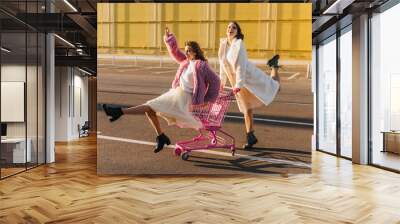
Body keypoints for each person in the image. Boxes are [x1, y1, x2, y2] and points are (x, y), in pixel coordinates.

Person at [103, 27, 220, 153]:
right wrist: (169, 39)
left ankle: (119, 112)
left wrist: (206, 99)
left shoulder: (201, 65)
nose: (186, 53)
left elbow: (215, 81)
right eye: (185, 51)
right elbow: (175, 52)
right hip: (176, 93)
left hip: (183, 99)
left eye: (189, 51)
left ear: (195, 52)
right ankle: (161, 137)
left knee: (150, 106)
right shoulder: (186, 62)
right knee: (150, 110)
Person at [218, 21, 280, 149]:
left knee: (274, 86)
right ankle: (250, 135)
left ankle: (274, 66)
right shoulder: (224, 45)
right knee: (246, 108)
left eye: (234, 27)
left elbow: (240, 65)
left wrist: (239, 84)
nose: (231, 29)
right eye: (229, 27)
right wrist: (222, 82)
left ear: (238, 32)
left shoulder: (239, 44)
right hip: (238, 82)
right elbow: (222, 66)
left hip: (248, 77)